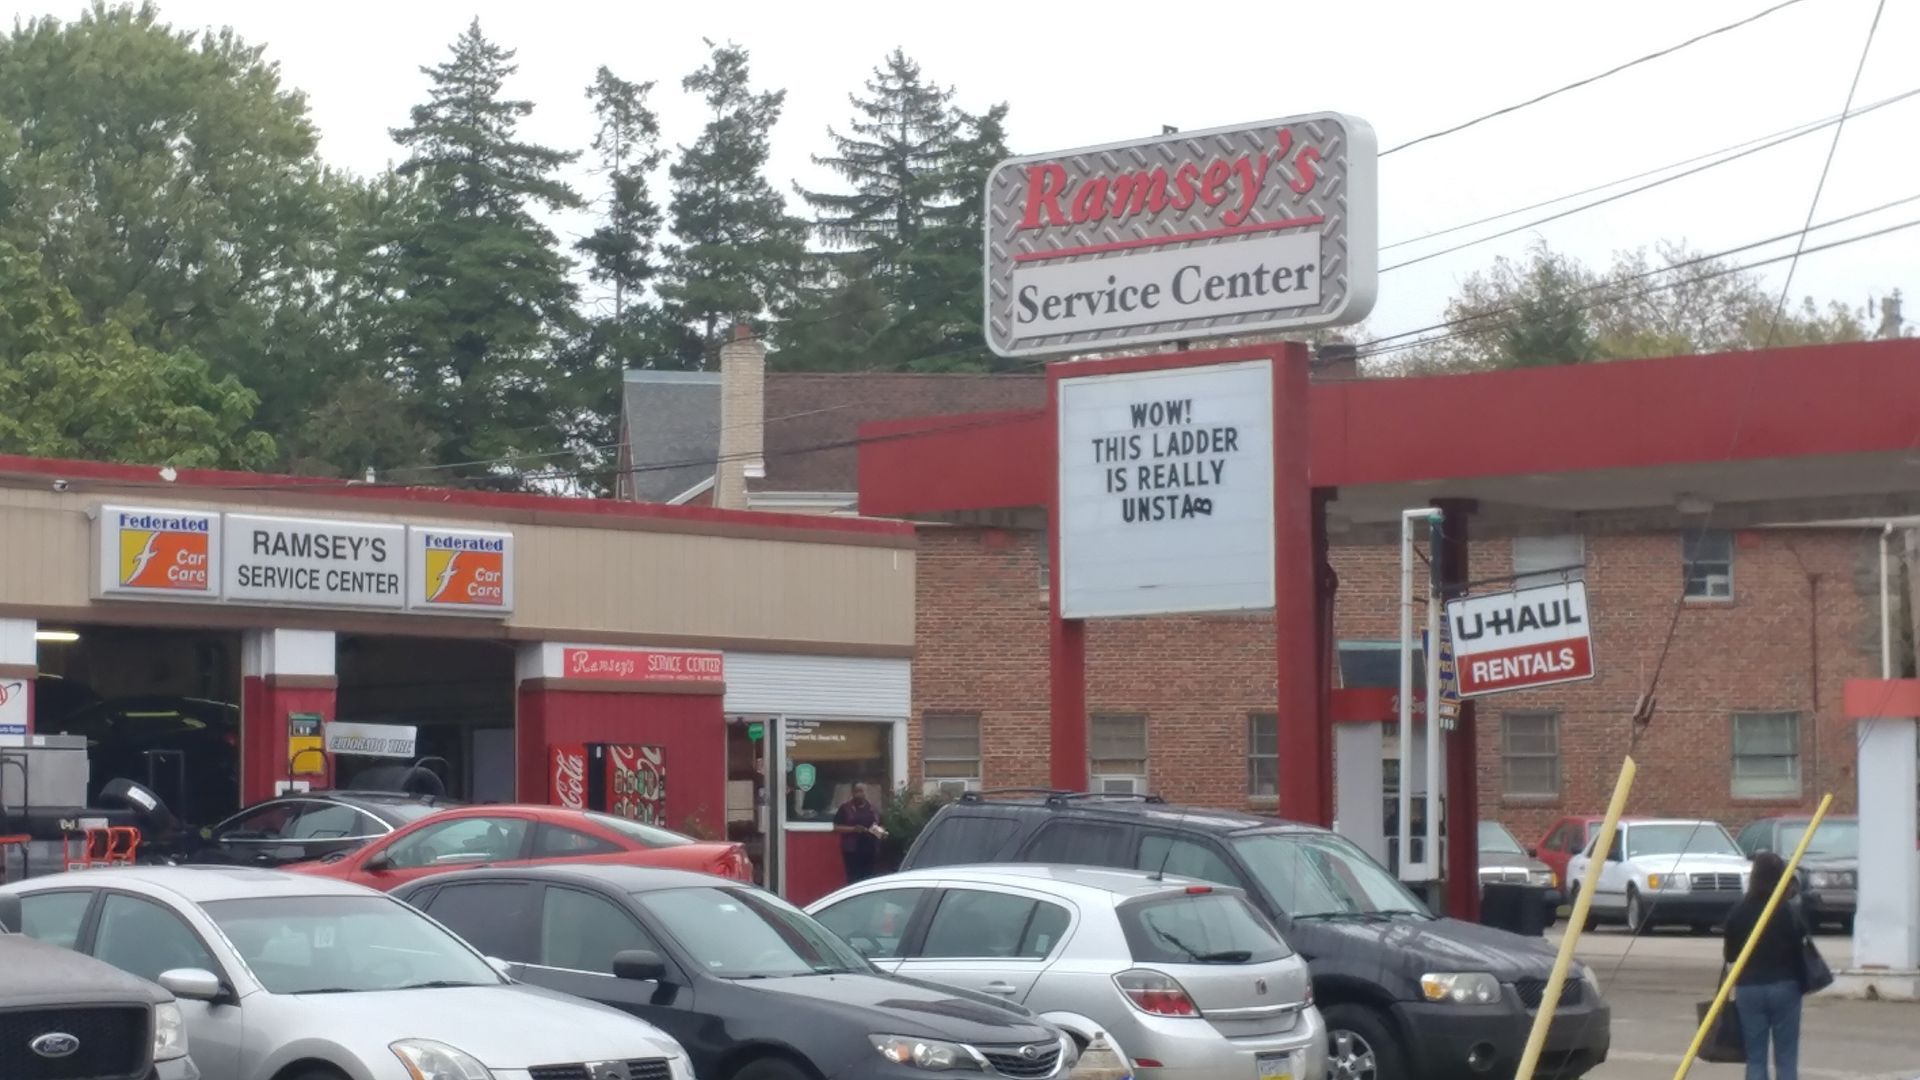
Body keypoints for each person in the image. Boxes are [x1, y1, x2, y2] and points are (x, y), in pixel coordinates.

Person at [1723, 852, 1804, 1080]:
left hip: (1749, 988)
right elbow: (1801, 948)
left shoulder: (1738, 910)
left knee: (1755, 1058)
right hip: (1785, 985)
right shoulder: (1788, 911)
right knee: (1786, 1059)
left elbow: (1730, 955)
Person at [832, 782, 886, 883]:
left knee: (868, 878)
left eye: (862, 791)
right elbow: (836, 827)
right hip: (852, 849)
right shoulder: (845, 808)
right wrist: (853, 829)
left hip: (870, 849)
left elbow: (880, 825)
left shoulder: (872, 809)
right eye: (857, 791)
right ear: (853, 792)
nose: (860, 794)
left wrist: (880, 832)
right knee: (853, 878)